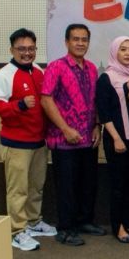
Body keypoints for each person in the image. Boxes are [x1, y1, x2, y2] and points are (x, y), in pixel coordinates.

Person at [0, 28, 56, 251]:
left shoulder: (38, 71)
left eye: (31, 49)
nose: (27, 53)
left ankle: (34, 222)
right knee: (18, 190)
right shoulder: (5, 74)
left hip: (38, 142)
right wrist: (18, 105)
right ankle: (17, 231)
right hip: (16, 144)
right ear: (12, 50)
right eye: (22, 49)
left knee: (36, 186)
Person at [41, 24, 104, 246]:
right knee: (66, 186)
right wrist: (65, 129)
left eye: (84, 39)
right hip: (64, 139)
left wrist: (96, 125)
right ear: (66, 42)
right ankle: (65, 229)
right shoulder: (55, 67)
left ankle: (84, 221)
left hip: (88, 137)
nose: (80, 43)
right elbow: (46, 99)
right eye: (75, 39)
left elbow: (94, 100)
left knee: (88, 183)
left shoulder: (92, 69)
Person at [96, 36, 129, 243]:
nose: (127, 53)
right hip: (117, 138)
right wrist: (116, 138)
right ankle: (119, 227)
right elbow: (104, 113)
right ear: (115, 52)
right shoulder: (106, 78)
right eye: (123, 49)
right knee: (118, 185)